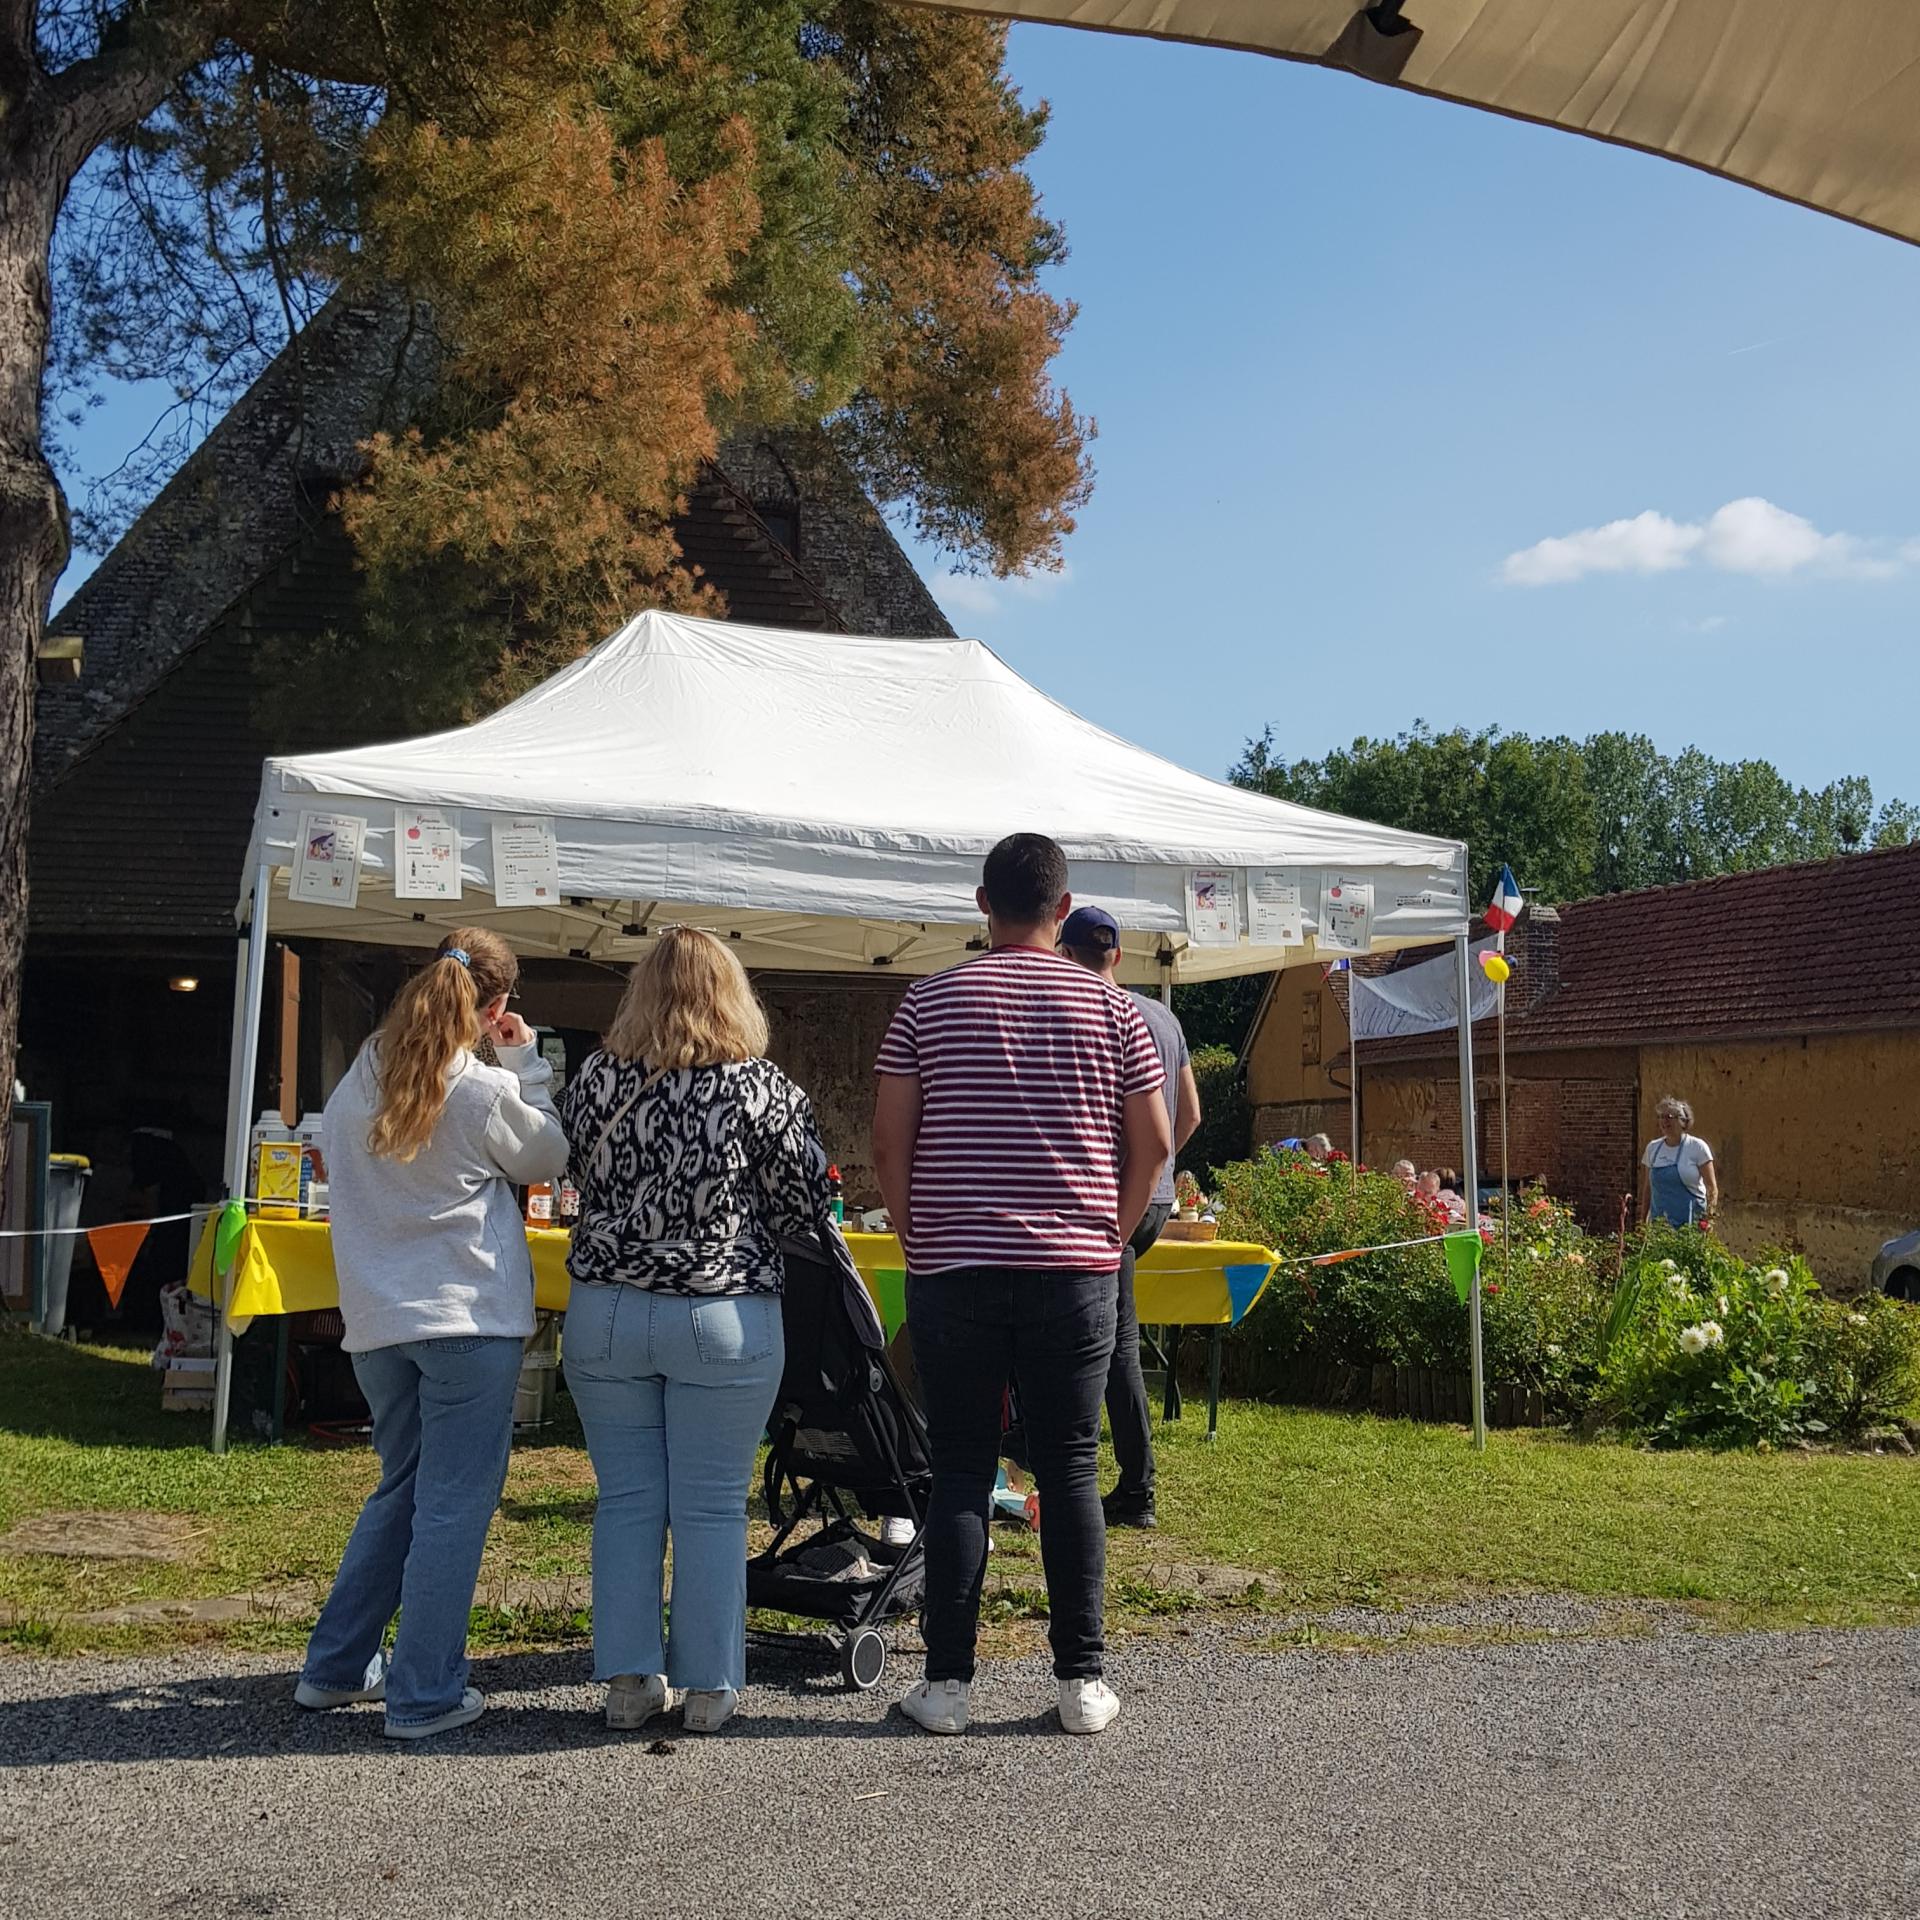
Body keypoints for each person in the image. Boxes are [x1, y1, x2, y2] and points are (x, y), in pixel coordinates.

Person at [872, 834, 1171, 1738]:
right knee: (1072, 1466)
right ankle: (1081, 1681)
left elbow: (890, 1141)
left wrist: (919, 1233)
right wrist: (1107, 1234)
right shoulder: (1117, 1011)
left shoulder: (926, 1001)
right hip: (1075, 1270)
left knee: (959, 1468)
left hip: (954, 1264)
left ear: (980, 902)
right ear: (1064, 904)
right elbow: (1156, 1143)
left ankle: (948, 1686)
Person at [559, 927, 831, 1736]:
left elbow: (568, 1165)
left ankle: (628, 1684)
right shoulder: (761, 1088)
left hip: (604, 1308)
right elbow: (805, 1205)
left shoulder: (598, 1078)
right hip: (722, 1307)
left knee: (627, 1501)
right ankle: (710, 1688)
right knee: (711, 1507)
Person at [296, 929, 567, 1739]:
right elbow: (547, 1156)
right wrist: (527, 1064)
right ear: (495, 1008)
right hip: (466, 1318)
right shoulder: (481, 1087)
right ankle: (423, 1693)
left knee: (403, 1490)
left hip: (380, 1320)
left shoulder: (362, 1074)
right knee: (454, 1504)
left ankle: (337, 1667)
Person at [1058, 904, 1201, 1532]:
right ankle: (1117, 1477)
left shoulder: (1082, 1013)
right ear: (1118, 955)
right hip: (1155, 1195)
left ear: (1065, 954)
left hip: (1103, 1197)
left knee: (1108, 1344)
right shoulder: (1162, 1017)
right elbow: (1189, 1115)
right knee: (1112, 1332)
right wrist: (1157, 1174)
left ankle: (1130, 1484)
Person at [1643, 1096, 1718, 1226]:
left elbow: (1712, 1188)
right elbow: (1648, 1189)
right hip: (1660, 1228)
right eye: (1661, 1117)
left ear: (1683, 1121)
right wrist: (1642, 1221)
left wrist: (1709, 1220)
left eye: (1669, 1117)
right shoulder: (1653, 1148)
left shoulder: (1697, 1147)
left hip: (1691, 1226)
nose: (1664, 1121)